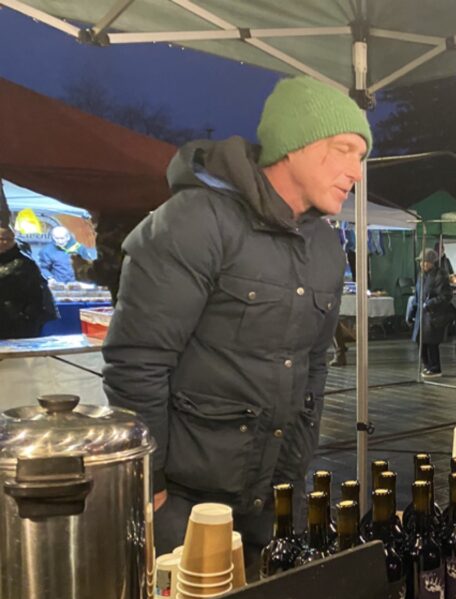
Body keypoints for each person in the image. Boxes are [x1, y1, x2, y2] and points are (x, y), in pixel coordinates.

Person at [103, 76, 372, 565]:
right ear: (294, 145)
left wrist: (294, 471)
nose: (356, 170)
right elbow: (138, 360)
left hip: (274, 498)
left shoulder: (325, 246)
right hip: (185, 502)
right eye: (344, 150)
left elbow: (314, 364)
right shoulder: (195, 221)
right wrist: (150, 481)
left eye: (362, 156)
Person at [0, 223, 57, 338]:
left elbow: (38, 295)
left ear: (13, 240)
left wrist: (26, 318)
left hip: (15, 323)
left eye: (7, 239)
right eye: (1, 239)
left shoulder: (25, 263)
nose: (3, 242)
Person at [413, 248, 453, 378]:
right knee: (421, 341)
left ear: (432, 262)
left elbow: (446, 295)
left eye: (426, 261)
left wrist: (429, 303)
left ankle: (435, 368)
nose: (423, 264)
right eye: (421, 261)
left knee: (431, 342)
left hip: (432, 314)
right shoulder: (421, 275)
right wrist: (413, 309)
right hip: (421, 314)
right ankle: (427, 366)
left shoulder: (439, 275)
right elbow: (417, 294)